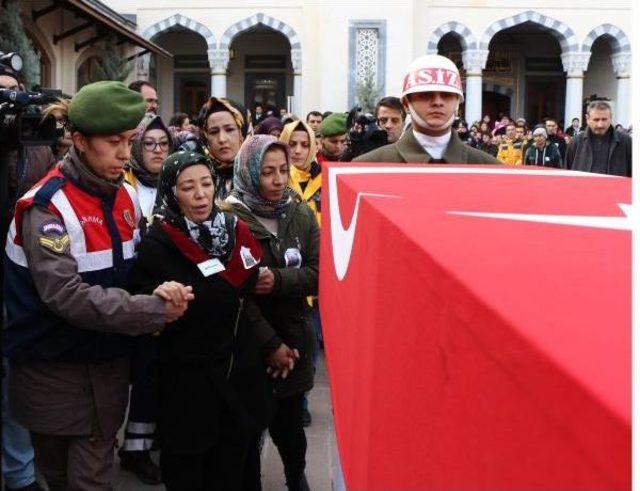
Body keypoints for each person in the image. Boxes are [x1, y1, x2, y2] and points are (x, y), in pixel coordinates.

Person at [2, 81, 193, 491]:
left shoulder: (123, 195)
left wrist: (168, 287)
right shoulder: (47, 207)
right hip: (52, 377)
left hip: (104, 375)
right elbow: (65, 296)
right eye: (113, 142)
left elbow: (136, 267)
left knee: (91, 479)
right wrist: (151, 310)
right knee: (58, 477)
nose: (126, 153)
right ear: (79, 141)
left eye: (129, 140)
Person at [127, 150, 275, 490]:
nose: (200, 195)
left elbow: (248, 287)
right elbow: (142, 299)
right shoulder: (157, 242)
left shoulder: (236, 230)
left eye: (206, 184)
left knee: (237, 467)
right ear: (171, 192)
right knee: (190, 469)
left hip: (238, 375)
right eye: (187, 187)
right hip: (188, 383)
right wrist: (159, 293)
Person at [225, 135, 319, 491]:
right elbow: (234, 294)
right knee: (246, 433)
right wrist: (269, 345)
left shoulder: (299, 213)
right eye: (267, 172)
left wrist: (279, 280)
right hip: (248, 346)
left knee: (291, 429)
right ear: (249, 173)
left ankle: (296, 476)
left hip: (295, 346)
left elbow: (319, 274)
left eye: (283, 170)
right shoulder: (229, 219)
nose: (279, 180)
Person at [119, 113, 174, 485]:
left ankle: (152, 440)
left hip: (168, 288)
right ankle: (133, 449)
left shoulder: (172, 183)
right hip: (133, 290)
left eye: (163, 144)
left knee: (160, 371)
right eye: (149, 144)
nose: (157, 151)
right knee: (141, 372)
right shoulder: (124, 184)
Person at [355, 55, 499, 164]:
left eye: (447, 95)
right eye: (425, 95)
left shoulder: (490, 168)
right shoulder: (370, 166)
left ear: (458, 103)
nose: (437, 102)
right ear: (406, 104)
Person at [280, 120, 322, 427]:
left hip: (319, 276)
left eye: (304, 144)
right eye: (292, 144)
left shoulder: (327, 179)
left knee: (310, 343)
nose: (297, 150)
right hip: (288, 276)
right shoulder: (278, 177)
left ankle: (302, 400)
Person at [199, 97, 250, 203]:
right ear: (205, 136)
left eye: (230, 129)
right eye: (213, 132)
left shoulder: (263, 175)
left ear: (243, 133)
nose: (222, 139)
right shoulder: (197, 175)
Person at [566, 100, 631, 177]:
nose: (600, 125)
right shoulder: (576, 142)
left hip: (615, 188)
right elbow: (567, 172)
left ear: (611, 118)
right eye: (596, 120)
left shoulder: (627, 142)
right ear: (587, 119)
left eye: (604, 119)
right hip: (582, 188)